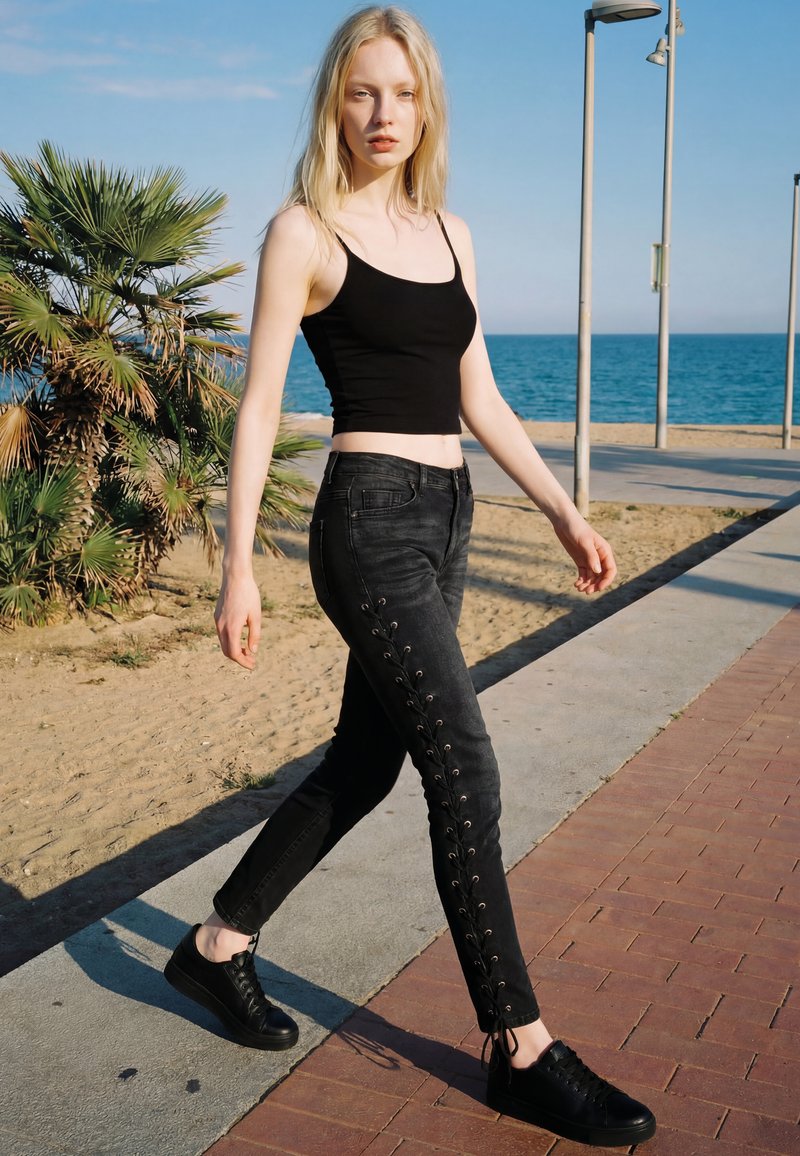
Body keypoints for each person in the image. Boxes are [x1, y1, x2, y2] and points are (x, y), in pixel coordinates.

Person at [164, 7, 656, 1148]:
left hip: (446, 518)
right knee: (463, 767)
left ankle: (216, 947)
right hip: (366, 523)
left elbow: (476, 397)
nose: (383, 114)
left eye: (402, 93)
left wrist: (564, 510)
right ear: (333, 103)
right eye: (360, 93)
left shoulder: (448, 235)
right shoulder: (305, 232)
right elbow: (257, 405)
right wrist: (236, 566)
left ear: (426, 104)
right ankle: (519, 1046)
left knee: (364, 762)